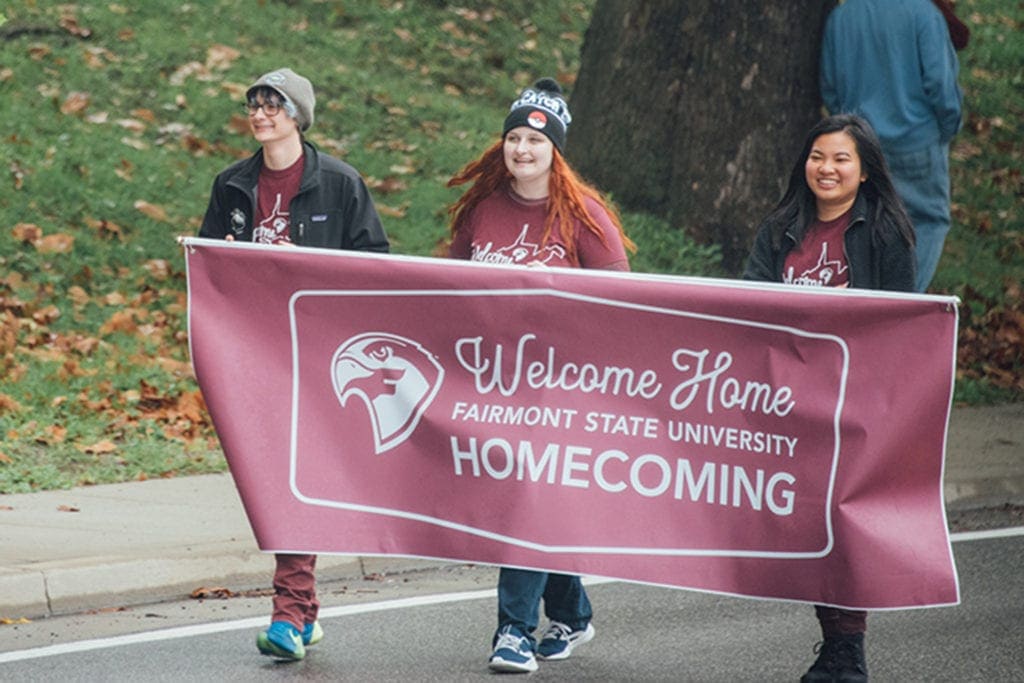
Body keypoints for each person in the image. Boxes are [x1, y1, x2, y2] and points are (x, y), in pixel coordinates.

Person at [446, 78, 636, 673]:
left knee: (525, 501)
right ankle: (573, 614)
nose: (521, 149)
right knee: (530, 503)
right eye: (513, 138)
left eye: (534, 139)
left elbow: (624, 308)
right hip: (493, 384)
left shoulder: (585, 216)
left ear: (556, 148)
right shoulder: (482, 210)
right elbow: (451, 290)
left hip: (561, 390)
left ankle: (514, 632)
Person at [199, 67, 389, 660]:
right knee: (278, 480)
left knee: (292, 478)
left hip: (318, 355)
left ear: (298, 115)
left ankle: (286, 614)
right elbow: (208, 269)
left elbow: (376, 266)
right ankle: (303, 613)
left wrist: (302, 264)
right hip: (255, 352)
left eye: (272, 104)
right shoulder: (232, 185)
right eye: (254, 103)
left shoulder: (339, 182)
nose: (260, 113)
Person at [744, 114, 916, 681]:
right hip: (790, 401)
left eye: (842, 159)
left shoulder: (886, 231)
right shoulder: (779, 229)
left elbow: (900, 324)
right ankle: (836, 642)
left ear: (864, 172)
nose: (827, 168)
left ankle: (848, 650)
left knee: (842, 524)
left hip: (855, 402)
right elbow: (748, 308)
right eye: (818, 157)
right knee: (812, 525)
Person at [820, 0, 963, 293]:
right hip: (916, 142)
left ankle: (865, 305)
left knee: (867, 225)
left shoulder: (842, 17)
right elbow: (940, 86)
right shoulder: (924, 14)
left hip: (861, 146)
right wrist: (947, 129)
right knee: (927, 221)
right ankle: (902, 306)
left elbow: (830, 87)